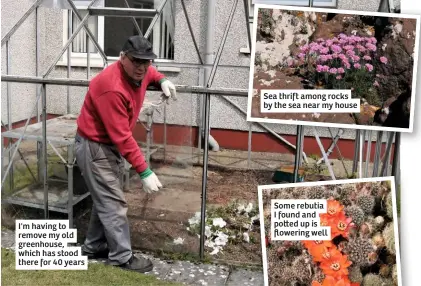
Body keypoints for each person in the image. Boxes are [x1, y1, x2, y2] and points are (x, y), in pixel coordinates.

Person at [74, 35, 176, 273]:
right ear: (122, 58)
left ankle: (93, 246)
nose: (141, 67)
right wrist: (145, 171)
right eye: (136, 61)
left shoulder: (137, 72)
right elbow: (122, 136)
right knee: (113, 202)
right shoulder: (112, 87)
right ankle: (121, 257)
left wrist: (161, 79)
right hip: (94, 146)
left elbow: (148, 74)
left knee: (105, 198)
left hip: (105, 145)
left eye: (146, 62)